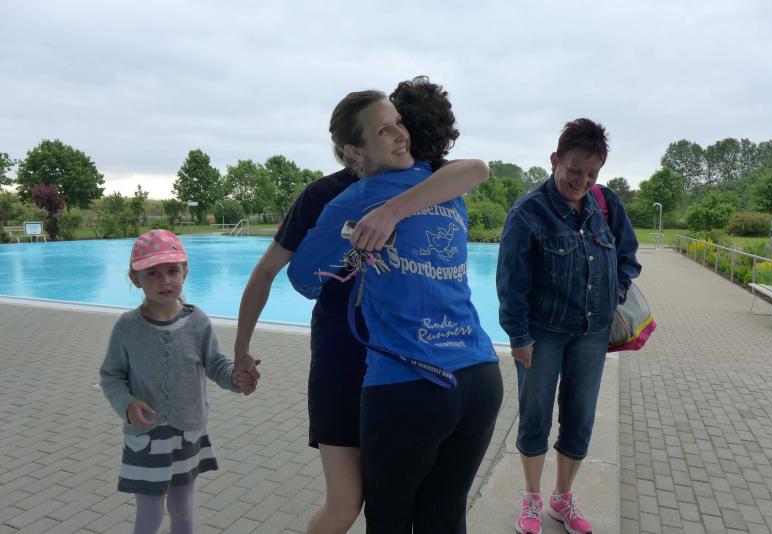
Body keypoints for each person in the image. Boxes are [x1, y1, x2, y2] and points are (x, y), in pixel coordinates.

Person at [233, 80, 492, 534]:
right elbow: (274, 272)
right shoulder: (327, 196)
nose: (399, 135)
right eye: (384, 130)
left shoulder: (429, 178)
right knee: (347, 506)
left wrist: (392, 211)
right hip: (346, 358)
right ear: (354, 150)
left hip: (409, 366)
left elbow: (476, 169)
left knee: (430, 508)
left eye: (399, 124)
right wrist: (241, 348)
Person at [496, 118, 641, 534]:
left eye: (592, 173)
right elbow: (511, 283)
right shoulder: (528, 212)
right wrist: (518, 337)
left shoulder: (605, 203)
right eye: (574, 170)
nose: (582, 181)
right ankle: (531, 497)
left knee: (580, 418)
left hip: (591, 335)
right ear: (554, 160)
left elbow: (628, 256)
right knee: (535, 416)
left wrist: (613, 293)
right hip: (542, 334)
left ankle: (562, 497)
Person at [99, 229, 247, 534]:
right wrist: (127, 405)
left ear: (185, 272)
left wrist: (237, 377)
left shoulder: (198, 322)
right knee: (150, 515)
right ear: (136, 278)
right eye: (152, 273)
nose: (164, 281)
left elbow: (216, 364)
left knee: (182, 508)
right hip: (146, 438)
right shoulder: (127, 327)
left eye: (172, 271)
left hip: (187, 435)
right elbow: (111, 375)